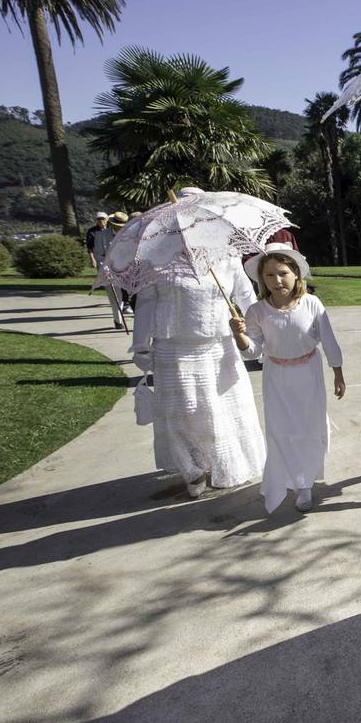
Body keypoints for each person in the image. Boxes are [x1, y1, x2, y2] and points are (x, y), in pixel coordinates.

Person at [129, 188, 265, 498]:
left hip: (219, 346)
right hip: (173, 348)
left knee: (222, 410)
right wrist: (140, 345)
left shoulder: (226, 255)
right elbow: (146, 303)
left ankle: (225, 464)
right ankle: (192, 469)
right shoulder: (156, 258)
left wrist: (259, 329)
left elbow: (245, 296)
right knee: (184, 413)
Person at [232, 243, 345, 514]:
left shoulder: (311, 304)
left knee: (308, 428)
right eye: (269, 275)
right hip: (277, 378)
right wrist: (240, 336)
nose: (277, 280)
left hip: (309, 375)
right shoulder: (257, 312)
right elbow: (254, 352)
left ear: (296, 274)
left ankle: (305, 483)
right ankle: (293, 480)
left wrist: (338, 371)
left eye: (282, 273)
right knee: (282, 430)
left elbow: (328, 340)